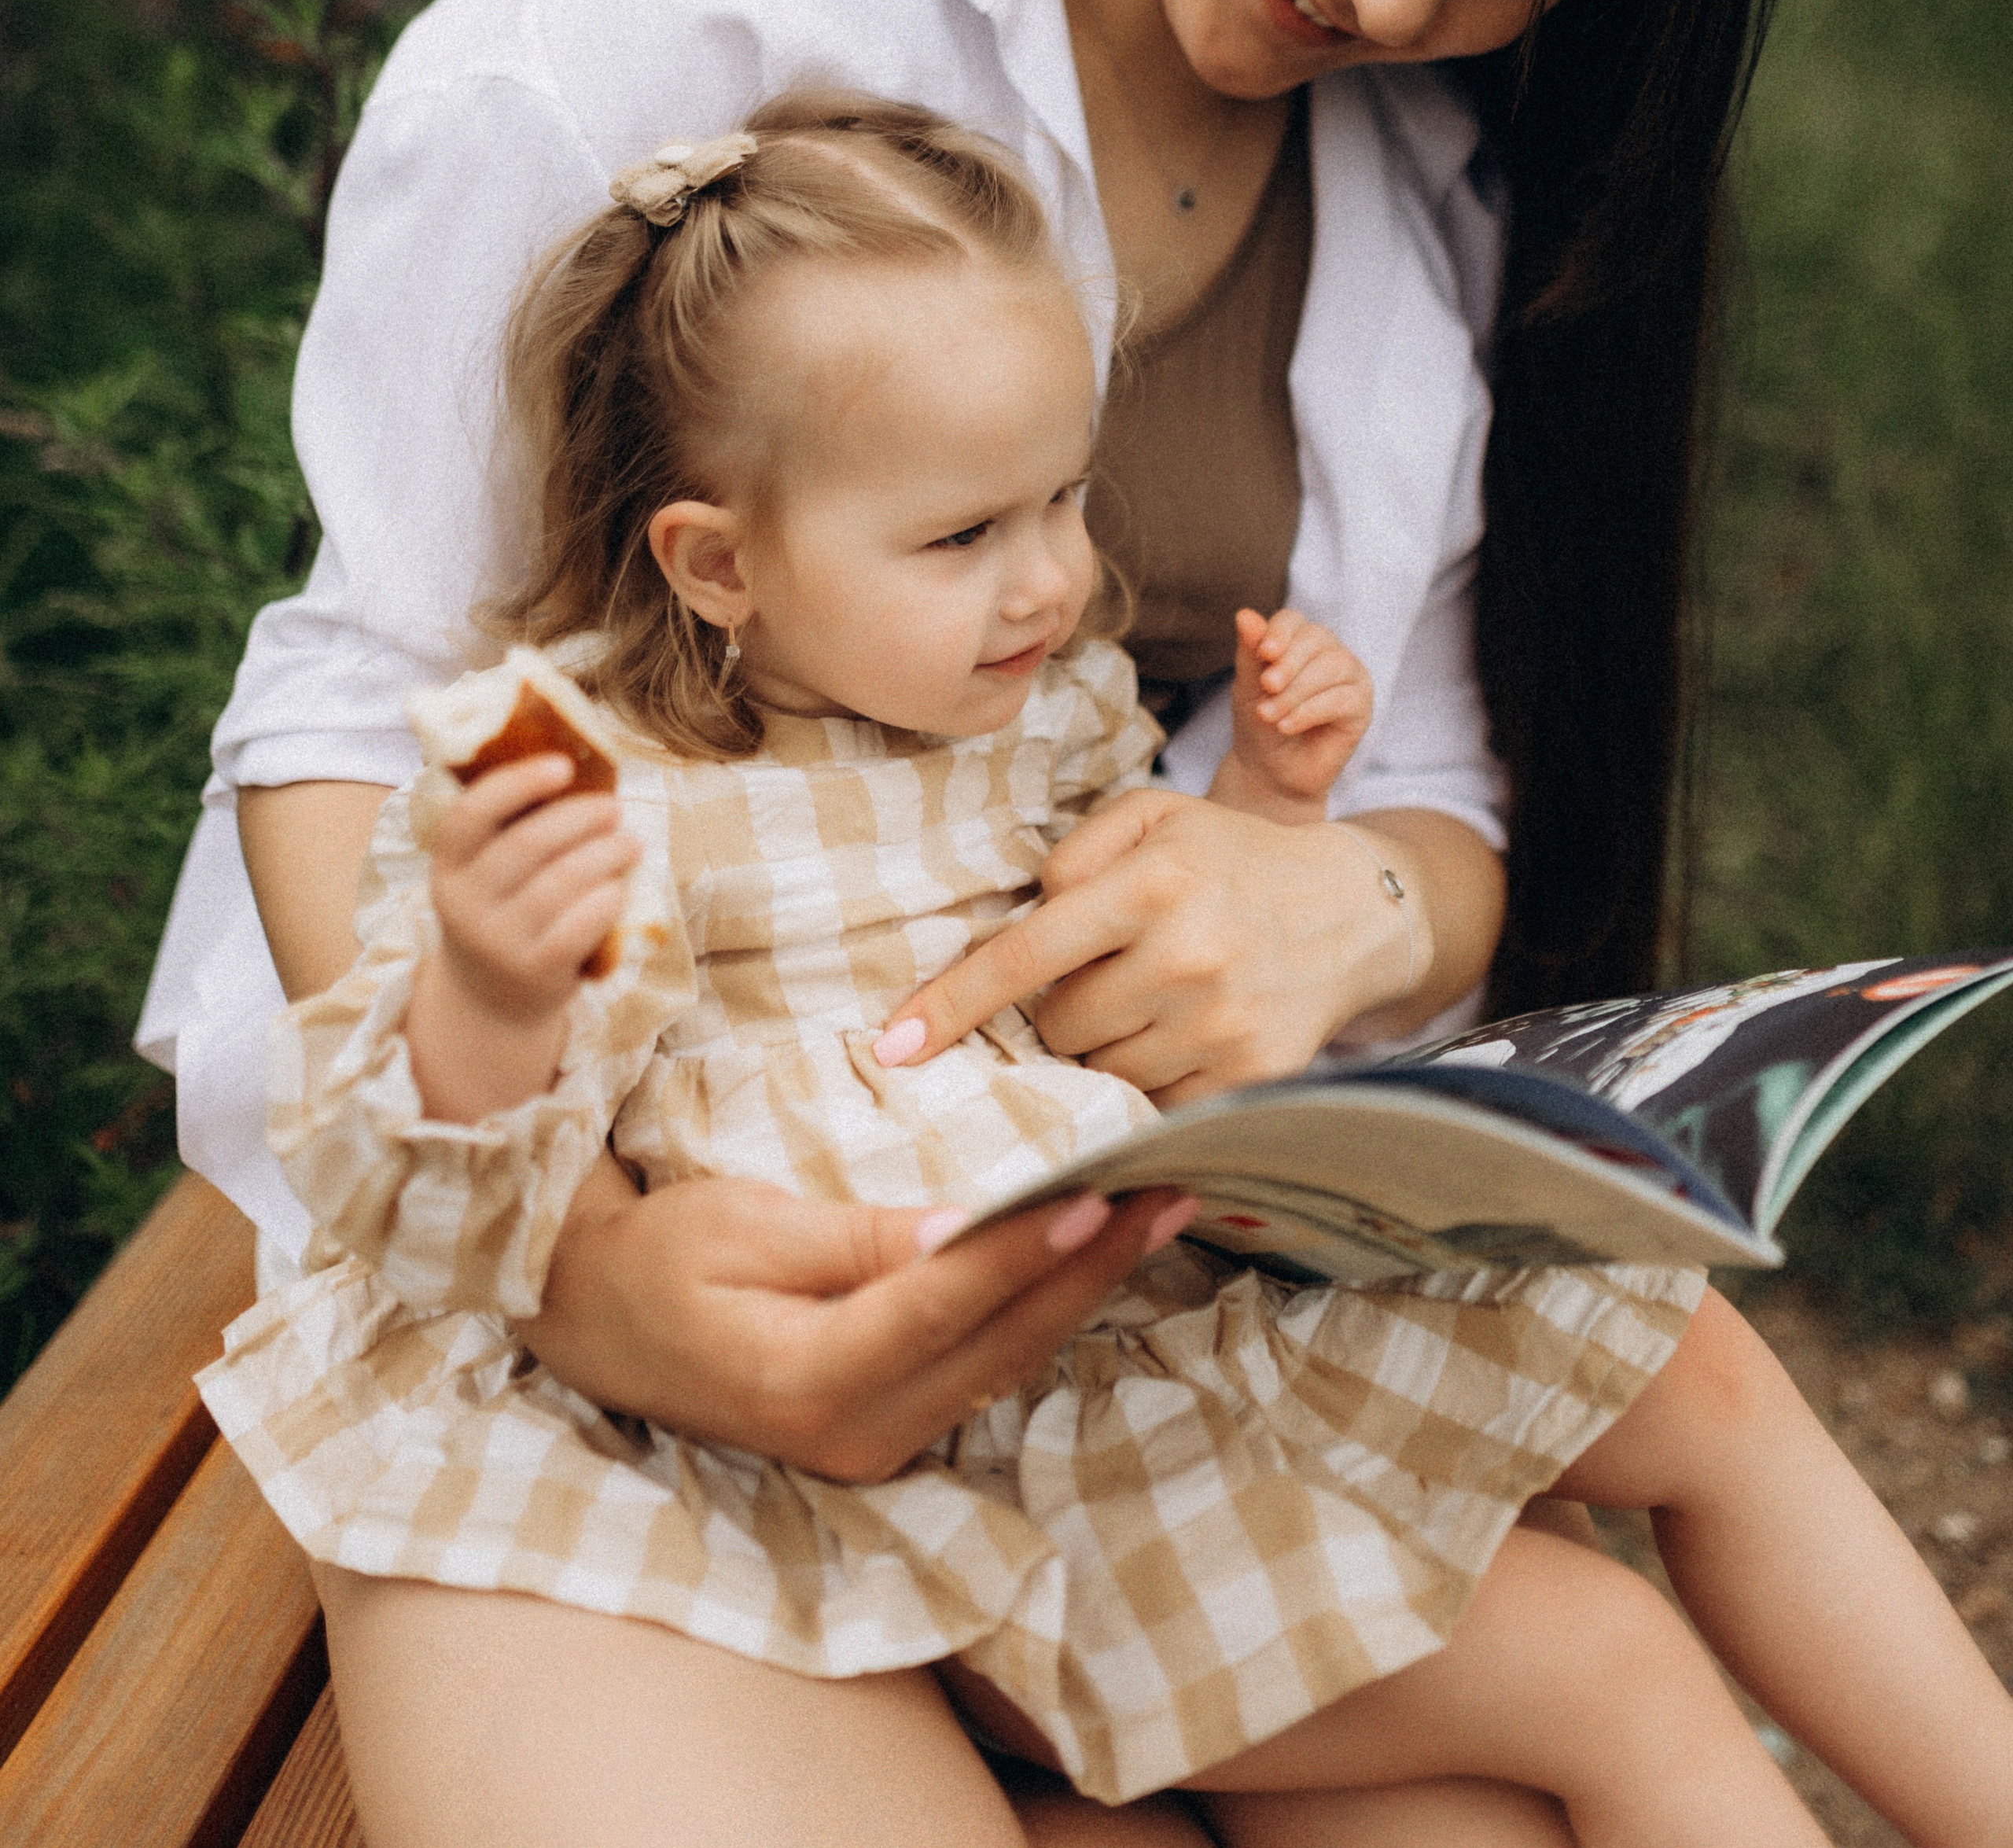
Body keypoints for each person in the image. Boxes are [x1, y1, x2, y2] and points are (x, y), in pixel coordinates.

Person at [138, 0, 1877, 1839]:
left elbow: (1448, 786)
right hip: (614, 1248)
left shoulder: (1430, 172)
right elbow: (352, 712)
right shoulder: (676, 4)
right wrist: (593, 1270)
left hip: (1107, 1307)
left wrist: (1339, 900)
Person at [199, 100, 2013, 1848]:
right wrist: (495, 982)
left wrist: (1266, 804)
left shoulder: (1020, 719)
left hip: (1141, 1349)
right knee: (1612, 1668)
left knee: (1684, 1359)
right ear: (717, 562)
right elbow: (444, 1182)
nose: (1050, 580)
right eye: (962, 535)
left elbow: (1137, 949)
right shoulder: (597, 784)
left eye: (1062, 496)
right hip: (993, 1492)